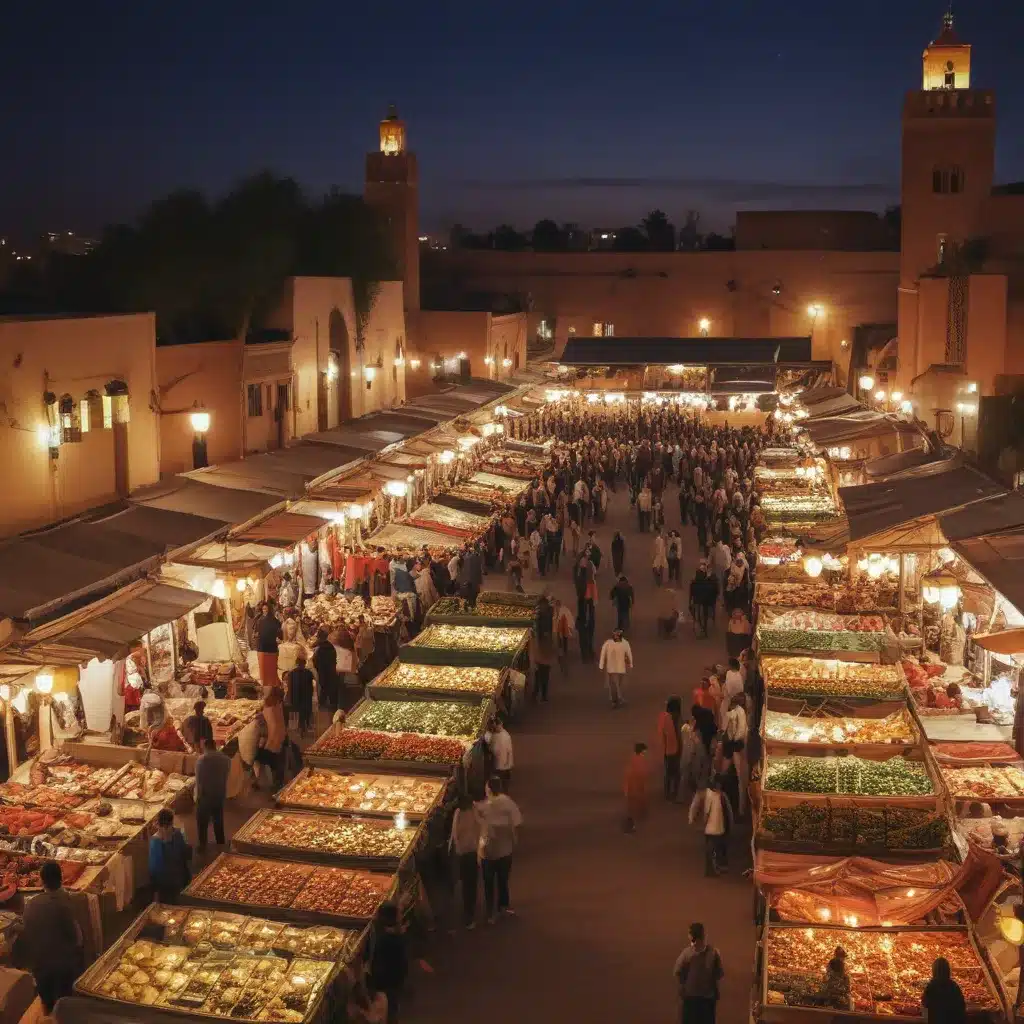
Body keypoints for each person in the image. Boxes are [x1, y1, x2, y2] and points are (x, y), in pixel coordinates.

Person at [21, 860, 83, 1013]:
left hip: (40, 968)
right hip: (63, 968)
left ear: (42, 881)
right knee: (65, 1005)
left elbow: (27, 934)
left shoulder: (30, 904)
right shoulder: (66, 903)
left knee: (48, 1007)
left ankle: (48, 1012)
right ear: (61, 878)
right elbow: (78, 939)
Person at [478, 776, 522, 923]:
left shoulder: (483, 807)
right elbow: (517, 823)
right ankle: (503, 906)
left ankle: (491, 912)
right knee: (503, 880)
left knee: (489, 883)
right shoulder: (508, 803)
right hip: (505, 850)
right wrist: (513, 839)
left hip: (488, 852)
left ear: (489, 789)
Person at [673, 922, 724, 1024]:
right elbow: (719, 974)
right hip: (707, 1000)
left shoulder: (687, 954)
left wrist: (683, 985)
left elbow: (677, 971)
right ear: (703, 935)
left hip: (690, 999)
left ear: (691, 936)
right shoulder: (713, 953)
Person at [369, 902, 408, 1023]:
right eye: (399, 914)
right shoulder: (392, 940)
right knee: (391, 1008)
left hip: (385, 981)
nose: (401, 915)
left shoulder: (380, 934)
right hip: (390, 982)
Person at [194, 736, 232, 852]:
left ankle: (202, 845)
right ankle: (220, 843)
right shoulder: (226, 759)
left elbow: (199, 781)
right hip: (219, 793)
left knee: (202, 821)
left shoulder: (202, 760)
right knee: (218, 819)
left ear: (205, 747)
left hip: (205, 795)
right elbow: (226, 775)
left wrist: (198, 797)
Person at [449, 794, 481, 928]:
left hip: (460, 853)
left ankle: (464, 913)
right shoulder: (474, 812)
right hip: (471, 854)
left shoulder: (458, 813)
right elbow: (481, 829)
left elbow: (454, 834)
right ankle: (469, 915)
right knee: (471, 884)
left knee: (464, 884)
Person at [690, 774, 732, 876]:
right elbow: (729, 812)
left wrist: (692, 819)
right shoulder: (718, 795)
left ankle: (712, 869)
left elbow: (694, 806)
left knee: (713, 849)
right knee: (714, 849)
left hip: (713, 828)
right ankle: (712, 869)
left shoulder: (711, 794)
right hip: (715, 828)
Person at [148, 808, 192, 903]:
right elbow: (185, 853)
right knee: (176, 901)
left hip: (165, 883)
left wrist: (154, 887)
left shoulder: (156, 842)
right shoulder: (178, 834)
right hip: (178, 878)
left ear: (159, 824)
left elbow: (154, 868)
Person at [254, 688, 287, 789]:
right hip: (279, 740)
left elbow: (272, 728)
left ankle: (266, 783)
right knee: (276, 764)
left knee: (261, 760)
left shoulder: (269, 709)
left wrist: (268, 743)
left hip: (272, 742)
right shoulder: (278, 707)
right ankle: (274, 782)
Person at [921, 956, 967, 1023]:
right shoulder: (954, 986)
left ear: (933, 971)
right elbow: (962, 1007)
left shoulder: (931, 987)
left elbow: (924, 1005)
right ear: (948, 970)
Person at [599, 628, 634, 709]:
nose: (616, 636)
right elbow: (603, 654)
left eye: (617, 635)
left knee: (619, 685)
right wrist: (601, 665)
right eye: (615, 634)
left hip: (621, 668)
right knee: (614, 685)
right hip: (611, 668)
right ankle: (615, 700)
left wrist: (631, 664)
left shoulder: (625, 643)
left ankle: (618, 698)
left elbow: (629, 654)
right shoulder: (608, 643)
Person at [658, 697, 683, 801]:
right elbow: (676, 735)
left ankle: (667, 792)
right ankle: (674, 794)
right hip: (673, 749)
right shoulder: (674, 718)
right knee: (676, 772)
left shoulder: (663, 716)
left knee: (669, 772)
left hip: (666, 749)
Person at [255, 601, 283, 691]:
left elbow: (280, 633)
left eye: (266, 609)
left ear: (269, 610)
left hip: (271, 648)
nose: (264, 611)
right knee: (263, 668)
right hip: (262, 647)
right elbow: (255, 632)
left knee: (272, 668)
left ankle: (273, 686)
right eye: (263, 609)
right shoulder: (259, 620)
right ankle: (266, 686)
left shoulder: (274, 621)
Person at [288, 650, 316, 736]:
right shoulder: (308, 673)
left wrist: (290, 697)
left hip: (296, 697)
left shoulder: (292, 673)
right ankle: (305, 726)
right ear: (304, 664)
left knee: (300, 712)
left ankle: (301, 727)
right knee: (305, 712)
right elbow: (312, 685)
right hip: (306, 697)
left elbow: (290, 686)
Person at [312, 627, 339, 714]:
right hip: (331, 670)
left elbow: (315, 661)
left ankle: (322, 703)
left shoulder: (318, 648)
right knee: (331, 686)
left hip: (322, 670)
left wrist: (317, 668)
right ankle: (332, 703)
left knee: (323, 686)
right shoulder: (331, 647)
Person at [623, 742, 649, 833]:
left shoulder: (632, 760)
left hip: (631, 787)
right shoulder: (641, 761)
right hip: (636, 787)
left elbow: (627, 773)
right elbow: (643, 774)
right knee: (634, 807)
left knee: (631, 807)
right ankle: (630, 825)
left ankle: (630, 823)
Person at [485, 717, 514, 791]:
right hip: (500, 762)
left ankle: (503, 791)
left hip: (502, 763)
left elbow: (508, 751)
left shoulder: (503, 735)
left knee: (502, 778)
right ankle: (503, 791)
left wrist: (508, 762)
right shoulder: (498, 735)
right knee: (502, 778)